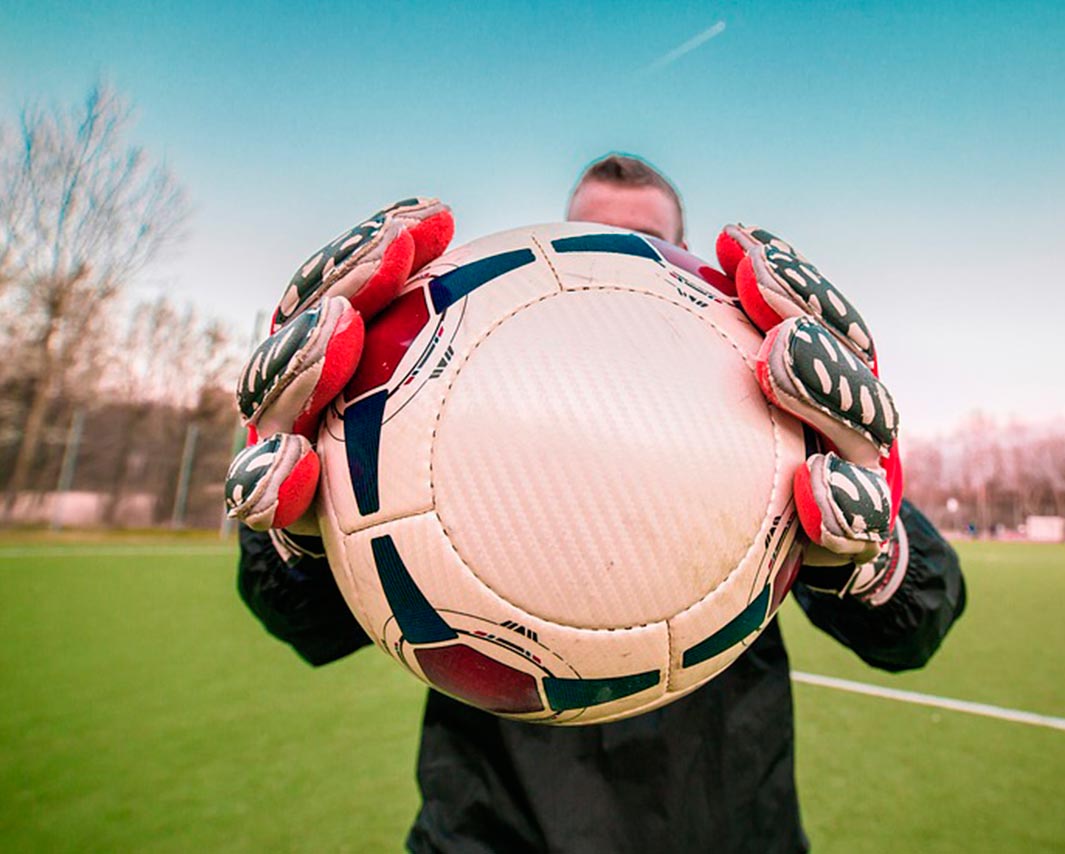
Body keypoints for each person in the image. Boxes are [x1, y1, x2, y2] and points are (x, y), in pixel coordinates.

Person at [232, 154, 965, 852]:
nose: (613, 269)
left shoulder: (769, 409)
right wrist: (303, 530)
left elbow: (914, 627)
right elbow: (306, 624)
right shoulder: (447, 407)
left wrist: (870, 550)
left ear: (683, 261)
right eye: (594, 240)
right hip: (489, 832)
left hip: (723, 827)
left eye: (641, 244)